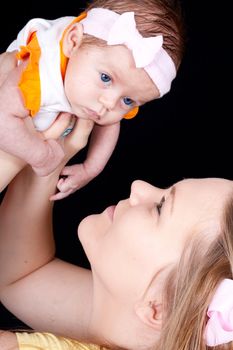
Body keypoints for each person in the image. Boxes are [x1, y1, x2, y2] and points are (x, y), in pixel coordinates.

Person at [0, 118, 233, 350]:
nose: (139, 186)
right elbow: (21, 276)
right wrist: (48, 156)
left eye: (160, 207)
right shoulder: (128, 325)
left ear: (159, 308)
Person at [0, 0, 185, 199]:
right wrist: (40, 155)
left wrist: (90, 168)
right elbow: (3, 120)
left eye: (128, 100)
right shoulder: (38, 71)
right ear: (73, 42)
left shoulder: (98, 77)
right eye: (106, 78)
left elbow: (110, 126)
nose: (109, 103)